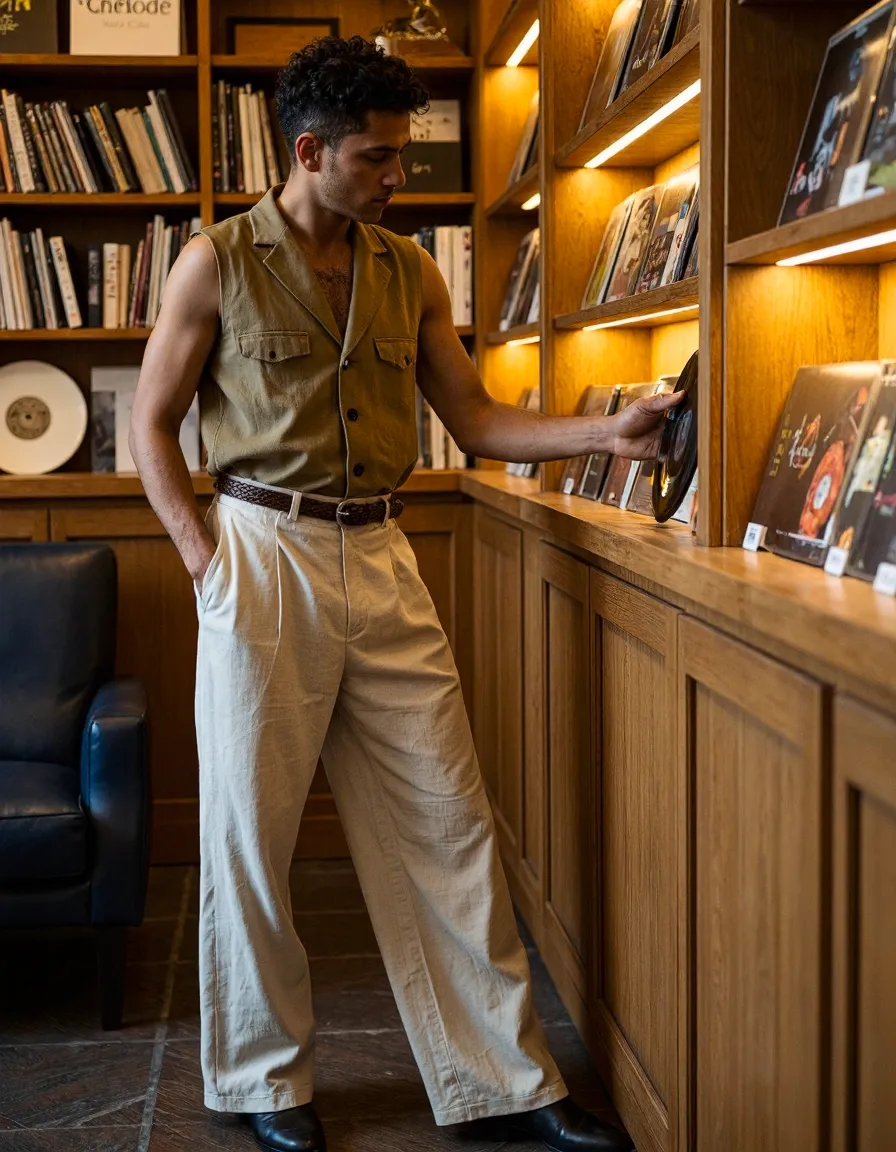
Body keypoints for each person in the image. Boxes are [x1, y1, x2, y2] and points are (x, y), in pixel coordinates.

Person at [129, 35, 681, 1152]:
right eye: (377, 157)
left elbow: (473, 420)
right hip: (259, 553)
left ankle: (502, 1084)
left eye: (401, 156)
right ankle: (263, 1084)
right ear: (309, 152)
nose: (398, 176)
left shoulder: (412, 271)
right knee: (249, 835)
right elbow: (150, 424)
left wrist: (605, 435)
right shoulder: (213, 263)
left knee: (448, 817)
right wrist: (202, 557)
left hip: (382, 554)